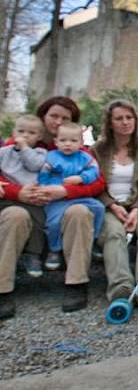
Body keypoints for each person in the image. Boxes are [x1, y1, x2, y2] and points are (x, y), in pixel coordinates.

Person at [0, 96, 105, 313]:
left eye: (64, 118)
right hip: (24, 205)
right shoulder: (19, 143)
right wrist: (18, 192)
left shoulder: (76, 148)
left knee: (79, 212)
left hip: (61, 205)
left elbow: (98, 182)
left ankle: (76, 282)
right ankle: (3, 288)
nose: (58, 122)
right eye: (53, 116)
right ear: (43, 117)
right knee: (14, 216)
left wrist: (66, 190)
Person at [92, 100, 138, 303]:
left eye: (129, 118)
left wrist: (137, 210)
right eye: (119, 118)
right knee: (114, 233)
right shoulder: (97, 150)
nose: (125, 122)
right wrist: (112, 206)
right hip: (109, 203)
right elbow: (94, 185)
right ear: (110, 122)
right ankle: (121, 287)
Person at [37, 122, 105, 271]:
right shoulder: (51, 158)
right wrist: (44, 188)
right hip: (57, 198)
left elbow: (94, 171)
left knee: (99, 208)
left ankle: (93, 240)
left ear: (81, 142)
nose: (68, 144)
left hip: (78, 195)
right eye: (63, 140)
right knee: (53, 222)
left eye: (73, 141)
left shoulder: (84, 157)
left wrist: (82, 178)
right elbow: (43, 175)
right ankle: (54, 249)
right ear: (56, 142)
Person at [0, 115, 47, 277]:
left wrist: (25, 148)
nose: (25, 136)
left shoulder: (40, 153)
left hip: (33, 196)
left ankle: (33, 254)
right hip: (8, 197)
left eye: (31, 133)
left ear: (39, 136)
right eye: (21, 131)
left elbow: (34, 165)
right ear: (13, 132)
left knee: (39, 219)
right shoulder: (4, 152)